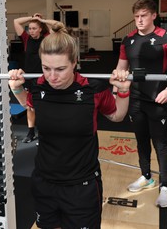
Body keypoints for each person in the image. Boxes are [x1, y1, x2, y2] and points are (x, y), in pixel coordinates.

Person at [8, 22, 131, 228]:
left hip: (81, 187)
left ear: (74, 62)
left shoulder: (93, 90)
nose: (52, 76)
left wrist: (123, 91)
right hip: (44, 182)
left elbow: (117, 116)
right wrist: (17, 89)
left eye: (60, 69)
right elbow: (29, 104)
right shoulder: (39, 87)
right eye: (46, 68)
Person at [114, 0, 167, 208]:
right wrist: (117, 88)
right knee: (141, 140)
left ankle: (165, 186)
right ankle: (146, 176)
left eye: (143, 16)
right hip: (136, 98)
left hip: (159, 98)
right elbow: (121, 67)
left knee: (161, 143)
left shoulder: (166, 38)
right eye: (136, 17)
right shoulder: (128, 40)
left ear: (153, 16)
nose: (139, 20)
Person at [13, 13, 59, 143]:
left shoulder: (47, 38)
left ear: (40, 29)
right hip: (29, 77)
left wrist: (42, 20)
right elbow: (16, 21)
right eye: (29, 28)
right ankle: (31, 132)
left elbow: (57, 25)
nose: (31, 31)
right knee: (30, 106)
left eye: (34, 28)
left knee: (44, 106)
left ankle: (45, 132)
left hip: (44, 77)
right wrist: (31, 18)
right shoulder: (26, 38)